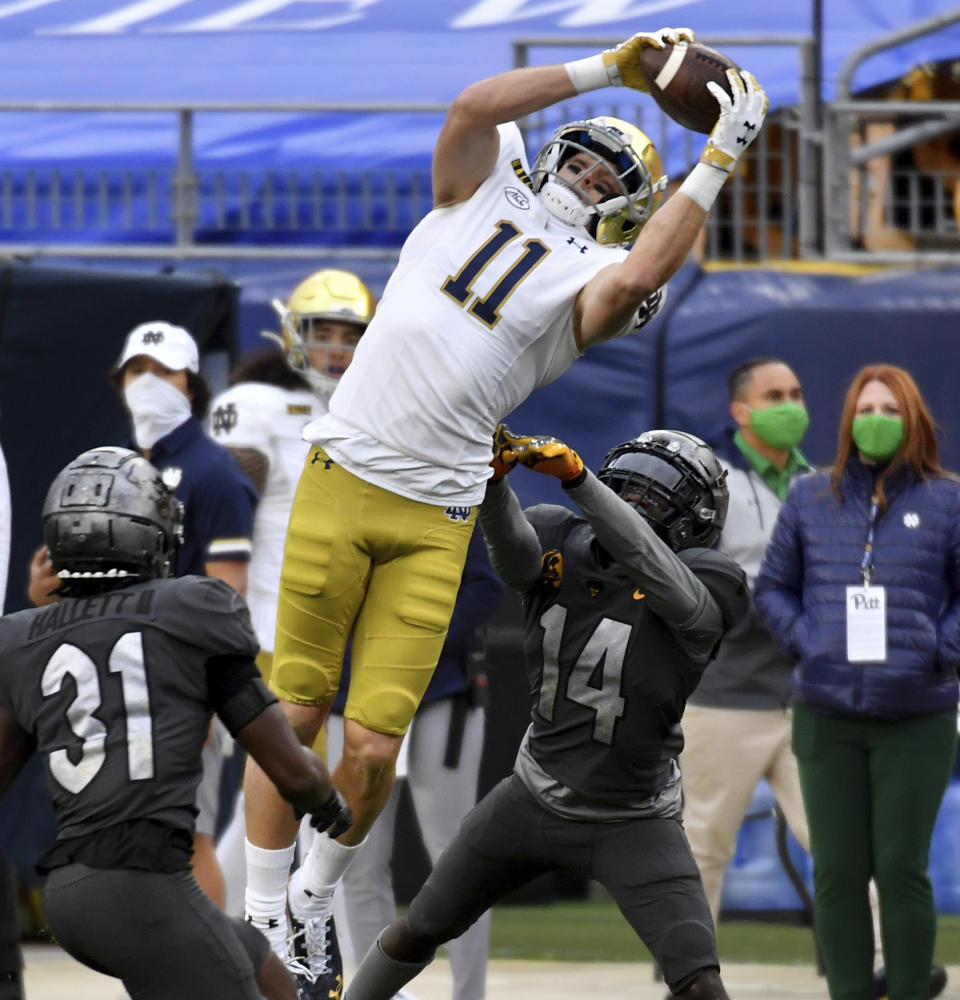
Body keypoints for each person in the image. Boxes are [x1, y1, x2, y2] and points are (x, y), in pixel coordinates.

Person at [242, 25, 769, 999]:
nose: (581, 172)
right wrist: (608, 67)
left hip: (438, 506)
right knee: (299, 706)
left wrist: (720, 158)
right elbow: (475, 108)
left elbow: (645, 274)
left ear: (631, 209)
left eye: (609, 175)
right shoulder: (483, 182)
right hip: (345, 469)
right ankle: (266, 906)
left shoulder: (596, 279)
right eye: (578, 151)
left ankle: (313, 899)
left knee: (370, 747)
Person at [341, 424, 747, 1000]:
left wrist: (581, 483)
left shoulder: (713, 580)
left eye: (654, 495)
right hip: (530, 796)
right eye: (628, 487)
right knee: (418, 929)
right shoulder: (561, 536)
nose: (636, 502)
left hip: (634, 817)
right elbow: (513, 563)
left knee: (699, 981)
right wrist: (493, 482)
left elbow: (664, 579)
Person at [0, 446, 352, 1000]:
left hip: (69, 892)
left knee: (257, 962)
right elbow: (290, 770)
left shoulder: (21, 638)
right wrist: (329, 801)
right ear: (150, 535)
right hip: (142, 888)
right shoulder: (192, 611)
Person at [28, 319, 258, 908]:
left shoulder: (215, 472)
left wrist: (207, 690)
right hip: (121, 677)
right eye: (137, 370)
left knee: (190, 839)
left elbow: (226, 599)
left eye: (162, 370)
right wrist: (48, 595)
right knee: (132, 841)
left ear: (191, 383)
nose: (148, 382)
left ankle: (216, 976)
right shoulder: (126, 471)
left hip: (177, 682)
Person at [755, 363, 959, 1000]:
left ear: (914, 420)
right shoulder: (811, 497)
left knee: (901, 870)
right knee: (838, 873)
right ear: (848, 421)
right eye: (866, 410)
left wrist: (938, 648)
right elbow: (772, 588)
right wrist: (810, 642)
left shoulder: (948, 499)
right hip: (826, 711)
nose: (877, 421)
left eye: (890, 410)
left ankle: (906, 990)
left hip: (916, 714)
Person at [209, 269, 376, 916]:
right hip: (272, 630)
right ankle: (298, 955)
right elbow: (220, 517)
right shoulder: (256, 404)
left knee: (297, 799)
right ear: (291, 334)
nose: (335, 348)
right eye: (322, 332)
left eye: (348, 335)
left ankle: (246, 942)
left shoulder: (367, 409)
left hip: (339, 629)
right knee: (308, 797)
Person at [325, 526, 503, 1000]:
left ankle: (470, 994)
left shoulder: (448, 492)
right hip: (355, 695)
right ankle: (371, 992)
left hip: (438, 691)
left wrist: (413, 643)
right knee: (353, 857)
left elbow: (485, 584)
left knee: (456, 856)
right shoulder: (341, 491)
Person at [680, 358, 813, 921]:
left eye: (796, 392)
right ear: (740, 412)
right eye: (774, 394)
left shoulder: (823, 485)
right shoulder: (713, 486)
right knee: (704, 847)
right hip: (723, 696)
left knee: (842, 846)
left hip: (808, 699)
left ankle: (878, 964)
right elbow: (693, 582)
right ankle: (689, 973)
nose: (790, 405)